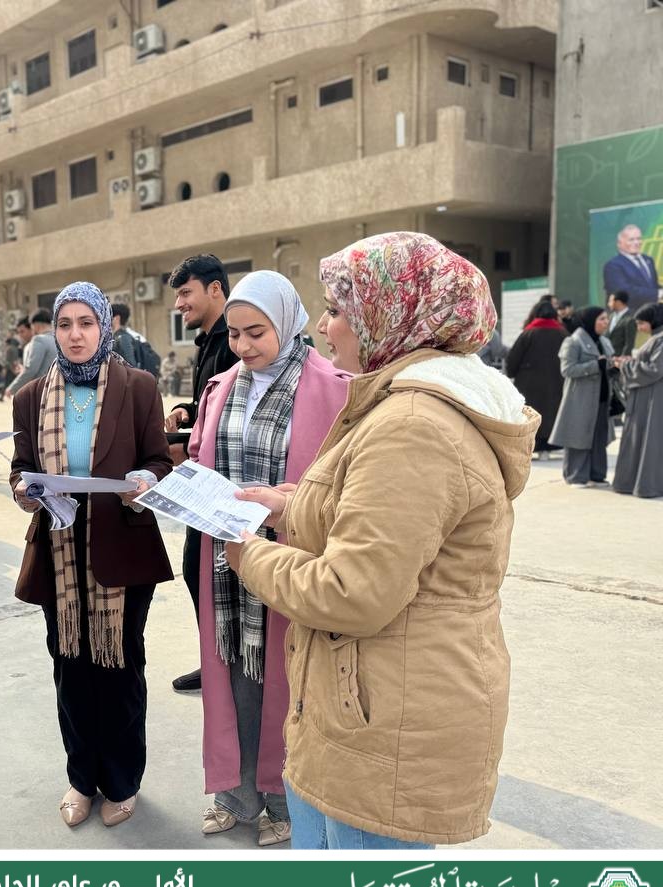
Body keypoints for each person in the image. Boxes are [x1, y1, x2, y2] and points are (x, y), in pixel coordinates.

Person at [229, 232, 537, 849]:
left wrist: (248, 554)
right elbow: (373, 515)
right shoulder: (396, 402)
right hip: (360, 708)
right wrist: (286, 505)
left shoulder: (415, 427)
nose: (323, 325)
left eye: (339, 310)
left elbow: (354, 591)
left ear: (392, 314)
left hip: (390, 723)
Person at [187, 272, 350, 847]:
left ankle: (284, 797)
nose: (243, 346)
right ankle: (235, 793)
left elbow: (340, 481)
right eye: (233, 334)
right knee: (232, 673)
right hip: (226, 557)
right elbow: (202, 457)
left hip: (292, 554)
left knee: (288, 677)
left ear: (286, 322)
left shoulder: (332, 386)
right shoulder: (224, 385)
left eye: (256, 332)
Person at [10, 282, 173, 828]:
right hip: (58, 551)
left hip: (120, 552)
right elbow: (23, 464)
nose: (75, 335)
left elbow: (158, 457)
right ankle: (82, 778)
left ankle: (122, 780)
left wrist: (146, 479)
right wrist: (22, 488)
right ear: (53, 330)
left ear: (105, 326)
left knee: (120, 667)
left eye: (86, 323)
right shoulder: (31, 396)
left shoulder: (138, 386)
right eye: (64, 324)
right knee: (69, 667)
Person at [163, 254, 237, 693]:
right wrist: (184, 410)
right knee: (198, 571)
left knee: (213, 572)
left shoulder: (233, 340)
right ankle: (215, 662)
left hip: (223, 480)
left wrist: (178, 446)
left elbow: (229, 415)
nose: (179, 304)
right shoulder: (208, 341)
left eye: (186, 293)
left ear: (215, 290)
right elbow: (209, 405)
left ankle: (225, 665)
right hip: (202, 474)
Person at [550, 306, 616, 487]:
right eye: (601, 319)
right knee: (578, 436)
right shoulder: (573, 342)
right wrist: (595, 365)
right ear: (590, 321)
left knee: (599, 437)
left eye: (606, 319)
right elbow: (567, 369)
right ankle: (576, 476)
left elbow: (607, 365)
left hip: (602, 399)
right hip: (580, 400)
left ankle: (596, 475)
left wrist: (614, 367)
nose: (605, 322)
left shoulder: (605, 341)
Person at [611, 304, 663, 498]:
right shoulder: (656, 339)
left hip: (652, 399)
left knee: (649, 439)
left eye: (642, 323)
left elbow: (654, 370)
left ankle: (648, 485)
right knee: (643, 439)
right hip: (647, 397)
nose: (639, 327)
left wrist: (626, 364)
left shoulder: (661, 339)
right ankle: (637, 483)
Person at [506, 300, 567, 460]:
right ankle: (549, 446)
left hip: (528, 383)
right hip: (556, 382)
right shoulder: (562, 334)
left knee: (531, 413)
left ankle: (533, 445)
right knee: (552, 411)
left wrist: (512, 373)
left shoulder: (528, 333)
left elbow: (513, 359)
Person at [603, 224, 660, 309]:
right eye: (631, 240)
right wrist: (658, 293)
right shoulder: (612, 266)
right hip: (630, 317)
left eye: (638, 238)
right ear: (619, 243)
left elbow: (653, 286)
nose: (636, 242)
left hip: (651, 314)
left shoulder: (648, 260)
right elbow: (624, 291)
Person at [5, 309, 57, 398]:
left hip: (41, 393)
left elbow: (31, 369)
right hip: (58, 390)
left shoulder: (39, 339)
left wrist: (12, 388)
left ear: (35, 325)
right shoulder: (59, 338)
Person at [606, 290, 636, 357]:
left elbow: (629, 344)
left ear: (618, 302)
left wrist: (622, 360)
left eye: (610, 301)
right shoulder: (610, 317)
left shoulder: (630, 319)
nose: (608, 304)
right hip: (608, 358)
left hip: (619, 360)